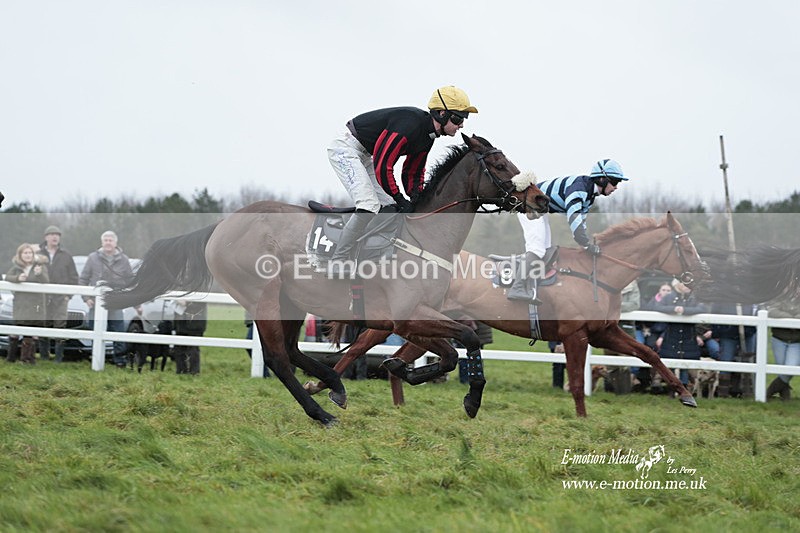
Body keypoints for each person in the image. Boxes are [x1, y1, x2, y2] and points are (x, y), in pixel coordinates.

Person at [326, 85, 478, 278]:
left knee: (390, 208)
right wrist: (399, 197)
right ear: (442, 114)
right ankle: (338, 260)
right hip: (345, 149)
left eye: (464, 119)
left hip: (365, 155)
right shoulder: (409, 125)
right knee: (369, 205)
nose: (461, 125)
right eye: (458, 119)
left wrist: (416, 199)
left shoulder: (427, 137)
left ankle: (367, 254)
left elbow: (412, 172)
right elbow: (383, 165)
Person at [508, 159, 630, 303]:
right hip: (528, 206)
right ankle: (517, 287)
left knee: (546, 250)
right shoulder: (580, 189)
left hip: (538, 209)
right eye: (614, 182)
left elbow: (581, 223)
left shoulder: (589, 195)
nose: (616, 187)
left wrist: (587, 244)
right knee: (537, 250)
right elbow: (574, 220)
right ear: (602, 180)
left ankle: (532, 285)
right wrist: (586, 245)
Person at [79, 230, 134, 368]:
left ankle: (120, 361)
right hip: (96, 303)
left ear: (115, 243)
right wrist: (86, 298)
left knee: (118, 332)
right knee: (95, 330)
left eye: (111, 240)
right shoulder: (93, 258)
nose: (108, 243)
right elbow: (83, 279)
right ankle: (96, 359)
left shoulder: (124, 260)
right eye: (106, 240)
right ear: (102, 242)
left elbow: (130, 280)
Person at [652, 279, 709, 392]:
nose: (687, 286)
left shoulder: (694, 297)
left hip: (688, 335)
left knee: (686, 363)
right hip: (672, 334)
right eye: (684, 283)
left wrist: (684, 310)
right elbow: (657, 307)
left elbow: (702, 308)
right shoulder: (669, 297)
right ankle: (672, 389)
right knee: (670, 362)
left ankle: (684, 389)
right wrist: (674, 309)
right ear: (677, 284)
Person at [37, 225, 79, 362]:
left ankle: (58, 358)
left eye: (57, 235)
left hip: (61, 298)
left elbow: (74, 277)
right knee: (43, 324)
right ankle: (44, 356)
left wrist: (68, 296)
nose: (55, 237)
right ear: (46, 237)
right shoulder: (38, 254)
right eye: (52, 234)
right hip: (42, 297)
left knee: (60, 325)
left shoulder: (66, 256)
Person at [5, 243, 49, 364]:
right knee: (15, 330)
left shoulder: (40, 266)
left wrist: (39, 274)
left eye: (30, 253)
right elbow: (7, 277)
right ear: (20, 255)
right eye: (25, 253)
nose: (28, 255)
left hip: (35, 305)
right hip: (20, 304)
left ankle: (28, 359)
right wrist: (17, 278)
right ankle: (10, 359)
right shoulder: (16, 267)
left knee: (31, 332)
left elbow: (46, 281)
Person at [710, 301, 758, 398]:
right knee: (726, 361)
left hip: (748, 331)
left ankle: (748, 392)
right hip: (728, 333)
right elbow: (715, 312)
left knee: (748, 361)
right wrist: (717, 332)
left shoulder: (750, 297)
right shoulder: (723, 297)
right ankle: (722, 393)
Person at [766, 294, 800, 400]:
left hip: (796, 341)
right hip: (779, 338)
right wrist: (791, 318)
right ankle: (785, 395)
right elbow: (771, 311)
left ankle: (769, 392)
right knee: (782, 371)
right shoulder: (779, 295)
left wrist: (787, 317)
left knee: (790, 368)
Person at [172, 300, 207, 375]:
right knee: (179, 347)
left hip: (194, 323)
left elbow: (201, 303)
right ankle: (181, 371)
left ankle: (194, 372)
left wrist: (186, 303)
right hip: (181, 322)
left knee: (193, 348)